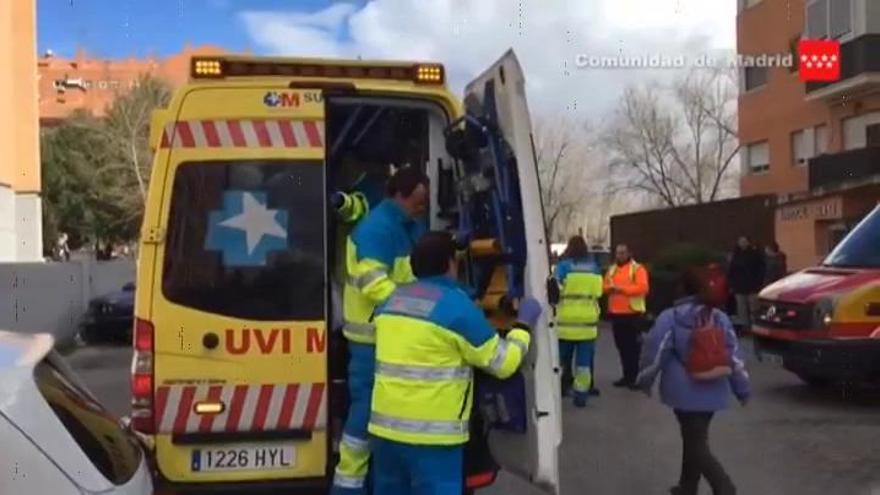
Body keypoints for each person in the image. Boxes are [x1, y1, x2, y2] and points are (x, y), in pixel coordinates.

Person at [368, 231, 541, 494]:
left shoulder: (390, 302)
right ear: (451, 264)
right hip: (434, 441)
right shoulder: (457, 309)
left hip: (385, 434)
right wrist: (523, 326)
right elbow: (503, 363)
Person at [331, 166, 430, 495]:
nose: (422, 207)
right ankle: (348, 485)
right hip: (371, 339)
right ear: (400, 195)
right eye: (418, 200)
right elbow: (373, 283)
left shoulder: (405, 225)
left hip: (390, 335)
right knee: (364, 414)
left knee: (384, 415)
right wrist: (419, 310)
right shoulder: (377, 228)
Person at [635, 267, 751, 495]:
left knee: (696, 442)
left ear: (682, 288)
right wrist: (742, 388)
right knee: (695, 436)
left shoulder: (672, 317)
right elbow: (733, 356)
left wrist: (644, 380)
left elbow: (656, 351)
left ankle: (724, 486)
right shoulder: (719, 317)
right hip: (715, 386)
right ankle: (687, 486)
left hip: (683, 390)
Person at [554, 235, 603, 406]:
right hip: (587, 324)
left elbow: (554, 291)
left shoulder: (563, 267)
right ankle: (581, 396)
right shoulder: (594, 268)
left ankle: (557, 391)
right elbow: (599, 292)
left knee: (560, 362)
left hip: (565, 323)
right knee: (584, 365)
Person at [604, 244, 650, 389]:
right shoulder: (612, 269)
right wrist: (609, 289)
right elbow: (604, 286)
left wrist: (621, 289)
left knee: (634, 348)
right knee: (622, 347)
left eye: (623, 253)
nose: (620, 255)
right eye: (618, 253)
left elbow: (643, 287)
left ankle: (636, 378)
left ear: (629, 253)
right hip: (616, 314)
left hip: (632, 314)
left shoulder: (637, 269)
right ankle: (627, 376)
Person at [727, 236, 765, 333]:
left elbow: (761, 268)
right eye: (740, 242)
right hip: (739, 287)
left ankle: (755, 326)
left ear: (748, 242)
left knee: (754, 308)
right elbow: (731, 271)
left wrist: (758, 282)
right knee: (741, 309)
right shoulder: (735, 255)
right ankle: (744, 328)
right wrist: (732, 284)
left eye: (744, 241)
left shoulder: (754, 254)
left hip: (752, 286)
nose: (742, 243)